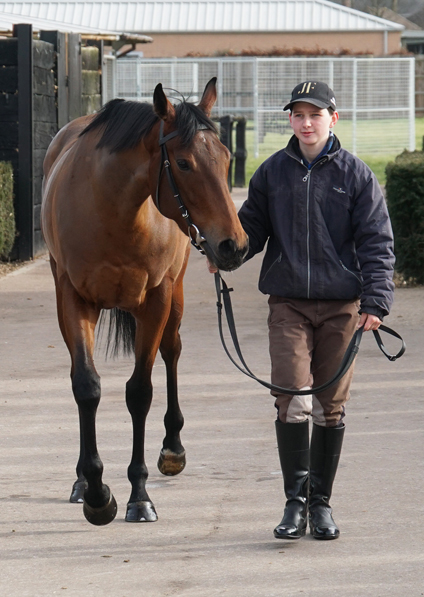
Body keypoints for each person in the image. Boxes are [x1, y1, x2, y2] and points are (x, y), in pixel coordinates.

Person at [208, 81, 395, 540]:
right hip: (288, 303)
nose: (306, 123)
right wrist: (224, 253)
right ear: (289, 121)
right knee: (292, 397)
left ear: (334, 118)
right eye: (298, 115)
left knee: (330, 406)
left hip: (342, 307)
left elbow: (376, 241)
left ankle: (321, 504)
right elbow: (250, 225)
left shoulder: (356, 175)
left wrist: (376, 301)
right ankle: (294, 503)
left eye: (316, 114)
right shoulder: (272, 174)